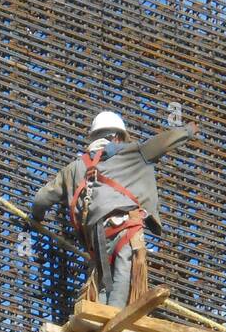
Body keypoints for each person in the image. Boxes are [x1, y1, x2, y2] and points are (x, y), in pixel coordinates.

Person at [30, 111, 197, 308]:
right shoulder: (131, 153)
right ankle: (113, 315)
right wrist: (188, 130)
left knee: (103, 278)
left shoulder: (73, 169)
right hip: (124, 224)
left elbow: (42, 199)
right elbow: (162, 143)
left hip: (95, 233)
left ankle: (101, 312)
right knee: (123, 269)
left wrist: (36, 217)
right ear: (117, 137)